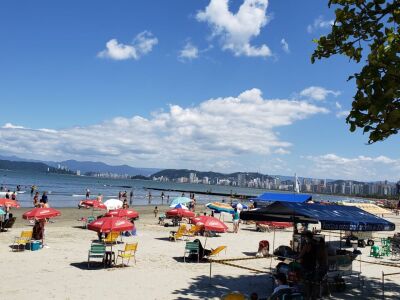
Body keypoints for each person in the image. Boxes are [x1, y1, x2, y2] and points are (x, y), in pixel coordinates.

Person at [298, 231, 317, 300]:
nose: (303, 237)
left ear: (307, 237)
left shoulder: (308, 244)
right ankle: (313, 297)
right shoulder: (315, 243)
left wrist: (298, 257)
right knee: (313, 283)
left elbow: (301, 254)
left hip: (307, 265)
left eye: (304, 236)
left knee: (307, 282)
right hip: (313, 265)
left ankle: (307, 297)